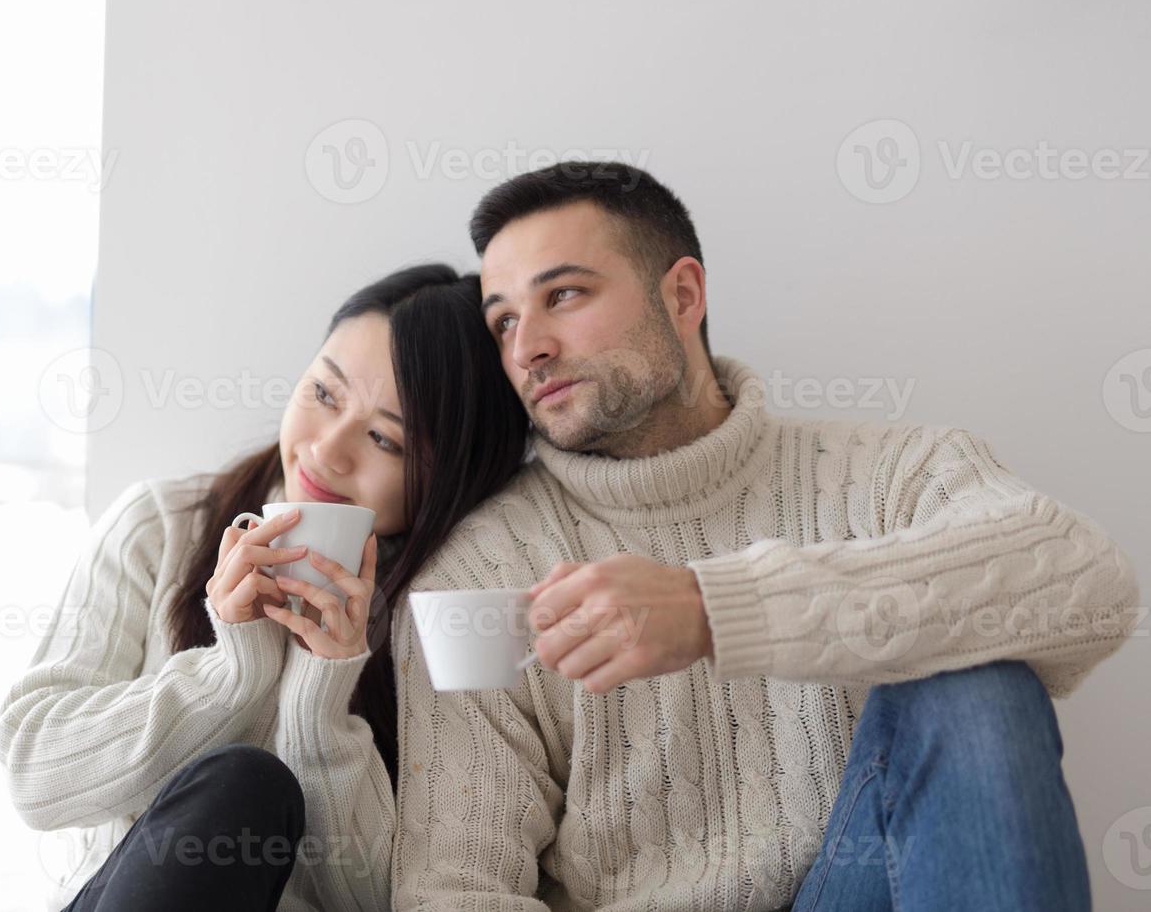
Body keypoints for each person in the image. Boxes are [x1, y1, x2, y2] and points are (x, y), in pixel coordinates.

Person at [390, 162, 1141, 911]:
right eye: (505, 322)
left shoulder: (890, 475)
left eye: (564, 294)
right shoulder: (482, 570)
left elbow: (1089, 584)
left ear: (682, 295)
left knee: (977, 679)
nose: (528, 349)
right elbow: (453, 891)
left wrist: (715, 611)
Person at [0, 264, 529, 911]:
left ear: (453, 473)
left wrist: (320, 694)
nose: (327, 451)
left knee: (254, 786)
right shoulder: (161, 529)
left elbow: (375, 899)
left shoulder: (455, 609)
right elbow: (33, 773)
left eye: (386, 438)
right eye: (324, 395)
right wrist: (229, 673)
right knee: (242, 785)